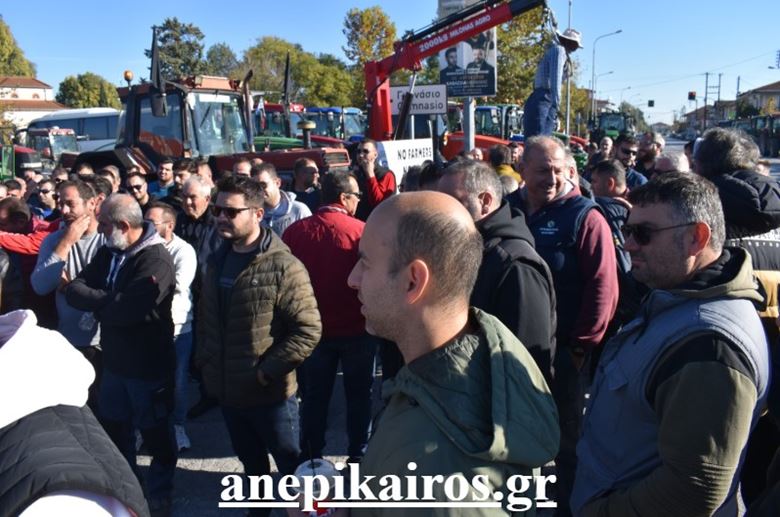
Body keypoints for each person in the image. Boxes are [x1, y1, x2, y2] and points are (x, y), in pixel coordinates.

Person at [348, 191, 559, 516]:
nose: (352, 279)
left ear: (413, 281)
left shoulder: (434, 476)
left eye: (365, 263)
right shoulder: (477, 353)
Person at [572, 172, 770, 517]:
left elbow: (692, 489)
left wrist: (600, 512)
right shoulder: (675, 301)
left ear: (696, 238)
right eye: (627, 231)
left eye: (643, 234)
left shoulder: (709, 344)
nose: (628, 245)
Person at [194, 176, 321, 516]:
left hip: (270, 397)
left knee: (291, 469)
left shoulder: (283, 266)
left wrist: (267, 372)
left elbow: (308, 330)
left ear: (257, 214)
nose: (221, 217)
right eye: (217, 210)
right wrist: (206, 359)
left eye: (231, 212)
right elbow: (206, 317)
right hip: (229, 393)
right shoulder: (216, 259)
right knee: (252, 469)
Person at [508, 135, 618, 516]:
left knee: (567, 445)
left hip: (562, 358)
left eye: (557, 170)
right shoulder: (509, 210)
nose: (551, 179)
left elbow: (604, 288)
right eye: (542, 171)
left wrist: (579, 348)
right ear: (522, 169)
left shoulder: (586, 217)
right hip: (509, 353)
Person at [64, 194, 177, 515]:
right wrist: (110, 300)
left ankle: (160, 494)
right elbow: (75, 289)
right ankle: (129, 490)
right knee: (116, 431)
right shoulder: (110, 251)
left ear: (124, 226)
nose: (99, 230)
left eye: (103, 225)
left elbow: (129, 311)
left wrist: (103, 303)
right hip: (114, 363)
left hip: (147, 366)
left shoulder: (155, 260)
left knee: (156, 434)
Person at [693, 127, 780, 502]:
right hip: (775, 363)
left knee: (712, 475)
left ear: (701, 166)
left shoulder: (703, 211)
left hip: (720, 359)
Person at [0, 309, 149, 517]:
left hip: (137, 358)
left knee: (144, 425)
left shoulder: (61, 503)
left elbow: (128, 305)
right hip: (108, 351)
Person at [283, 171, 377, 464]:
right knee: (359, 396)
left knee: (314, 397)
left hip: (312, 332)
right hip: (357, 329)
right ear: (344, 198)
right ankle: (358, 456)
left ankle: (312, 457)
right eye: (357, 195)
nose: (359, 201)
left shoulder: (295, 232)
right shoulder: (361, 231)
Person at [438, 159, 556, 382]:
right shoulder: (468, 247)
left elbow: (527, 364)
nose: (443, 212)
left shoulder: (516, 265)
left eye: (453, 201)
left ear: (485, 201)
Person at [31, 180, 105, 410]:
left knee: (109, 412)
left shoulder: (107, 239)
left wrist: (71, 288)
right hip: (69, 340)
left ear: (91, 204)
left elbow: (110, 290)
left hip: (103, 342)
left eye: (71, 204)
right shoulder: (54, 241)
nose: (63, 210)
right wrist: (65, 243)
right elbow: (41, 285)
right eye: (60, 203)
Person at [144, 202, 197, 453]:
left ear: (169, 225)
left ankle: (177, 426)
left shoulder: (183, 251)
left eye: (151, 223)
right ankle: (146, 428)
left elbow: (177, 285)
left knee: (177, 382)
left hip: (177, 327)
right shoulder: (141, 247)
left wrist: (143, 286)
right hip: (146, 326)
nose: (146, 227)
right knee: (145, 380)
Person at [523, 28, 582, 138]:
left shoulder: (554, 50)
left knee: (536, 137)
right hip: (545, 96)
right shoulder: (559, 51)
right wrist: (556, 102)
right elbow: (556, 77)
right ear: (568, 42)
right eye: (574, 45)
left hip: (541, 95)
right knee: (540, 138)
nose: (574, 49)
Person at [253, 163, 312, 236]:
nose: (259, 190)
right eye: (255, 186)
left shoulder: (298, 211)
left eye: (263, 185)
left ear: (277, 183)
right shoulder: (252, 214)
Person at [352, 139, 396, 221]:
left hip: (377, 223)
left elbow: (379, 204)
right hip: (358, 222)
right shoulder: (355, 174)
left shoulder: (386, 175)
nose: (361, 155)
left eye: (366, 151)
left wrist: (370, 175)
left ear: (375, 155)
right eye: (358, 151)